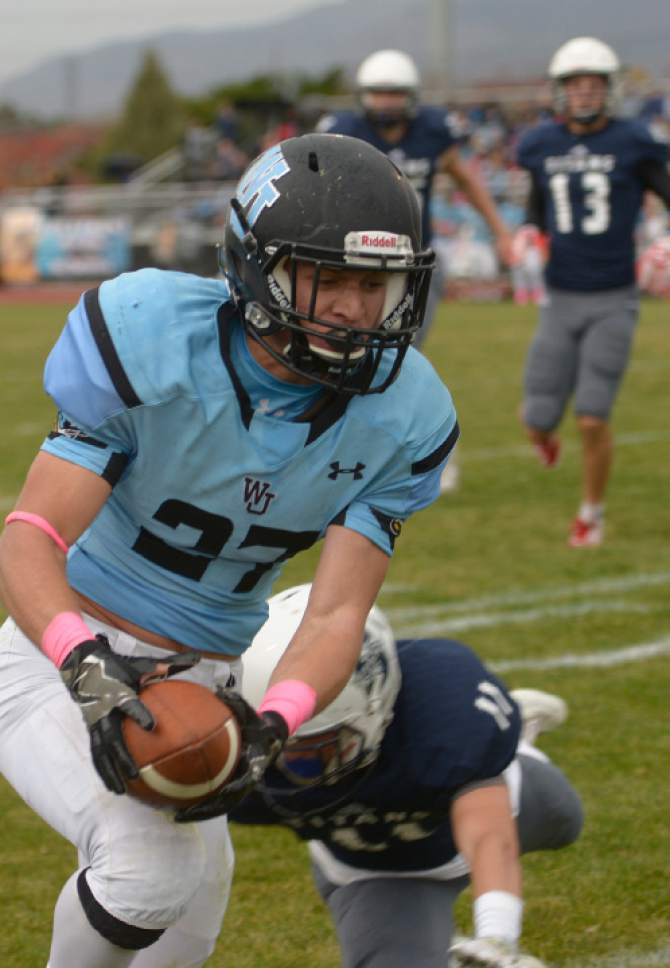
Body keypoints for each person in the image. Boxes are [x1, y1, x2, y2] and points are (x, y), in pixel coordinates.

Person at [0, 133, 458, 968]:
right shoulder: (150, 337)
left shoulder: (406, 415)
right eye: (331, 279)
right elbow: (30, 537)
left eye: (375, 284)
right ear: (257, 267)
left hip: (207, 681)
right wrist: (86, 664)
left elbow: (336, 610)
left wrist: (273, 718)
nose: (356, 310)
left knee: (183, 940)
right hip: (59, 655)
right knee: (144, 876)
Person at [232, 584, 583, 968]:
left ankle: (517, 741)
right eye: (280, 746)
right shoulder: (235, 754)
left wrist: (497, 937)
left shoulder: (440, 707)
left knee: (564, 816)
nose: (292, 766)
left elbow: (487, 834)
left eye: (318, 748)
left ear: (378, 702)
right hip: (375, 868)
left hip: (470, 813)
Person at [318, 50, 514, 495]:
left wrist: (500, 228)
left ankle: (435, 452)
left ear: (411, 97)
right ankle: (336, 453)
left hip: (413, 267)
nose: (386, 102)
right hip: (355, 268)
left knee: (400, 363)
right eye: (379, 93)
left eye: (395, 93)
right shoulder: (345, 134)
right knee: (341, 359)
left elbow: (463, 176)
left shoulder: (432, 131)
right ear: (364, 97)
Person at [516, 36, 670, 547]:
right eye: (574, 85)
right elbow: (539, 202)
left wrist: (662, 244)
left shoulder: (633, 141)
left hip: (614, 297)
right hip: (560, 298)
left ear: (609, 89)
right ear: (560, 91)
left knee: (591, 416)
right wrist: (529, 231)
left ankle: (590, 513)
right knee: (536, 418)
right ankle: (545, 439)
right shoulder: (541, 144)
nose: (583, 93)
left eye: (593, 84)